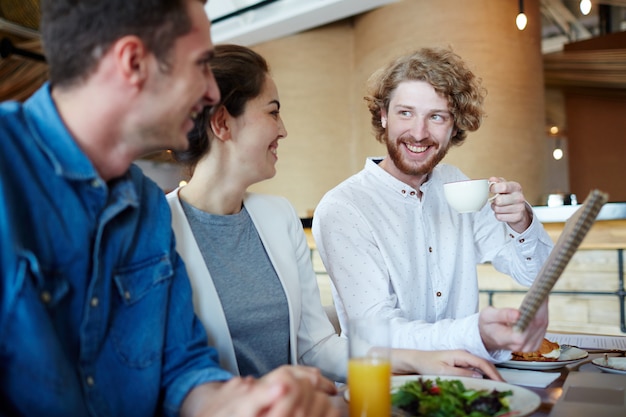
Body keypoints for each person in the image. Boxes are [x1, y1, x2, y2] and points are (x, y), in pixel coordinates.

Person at [0, 1, 338, 416]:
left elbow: (182, 367)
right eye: (199, 65)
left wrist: (241, 402)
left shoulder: (146, 207)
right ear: (134, 62)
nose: (212, 92)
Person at [166, 44, 503, 383]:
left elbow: (317, 347)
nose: (283, 129)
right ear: (223, 123)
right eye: (272, 112)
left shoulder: (277, 216)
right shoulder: (158, 230)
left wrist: (421, 361)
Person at [312, 47, 555, 362]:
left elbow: (535, 274)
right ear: (383, 115)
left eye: (436, 116)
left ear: (454, 126)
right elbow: (375, 331)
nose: (419, 132)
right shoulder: (344, 208)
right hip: (384, 392)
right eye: (405, 113)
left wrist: (521, 222)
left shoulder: (455, 183)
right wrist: (475, 333)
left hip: (465, 382)